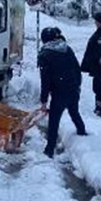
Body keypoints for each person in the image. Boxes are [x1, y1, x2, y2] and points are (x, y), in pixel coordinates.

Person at [38, 26, 87, 158]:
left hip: (59, 93)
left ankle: (49, 150)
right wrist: (77, 86)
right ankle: (82, 132)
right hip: (73, 88)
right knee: (74, 112)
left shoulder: (45, 55)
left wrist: (43, 100)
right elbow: (77, 70)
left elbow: (45, 81)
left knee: (54, 121)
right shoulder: (67, 49)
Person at [80, 12, 101, 117]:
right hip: (97, 65)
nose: (95, 23)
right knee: (97, 87)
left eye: (97, 21)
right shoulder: (100, 32)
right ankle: (99, 106)